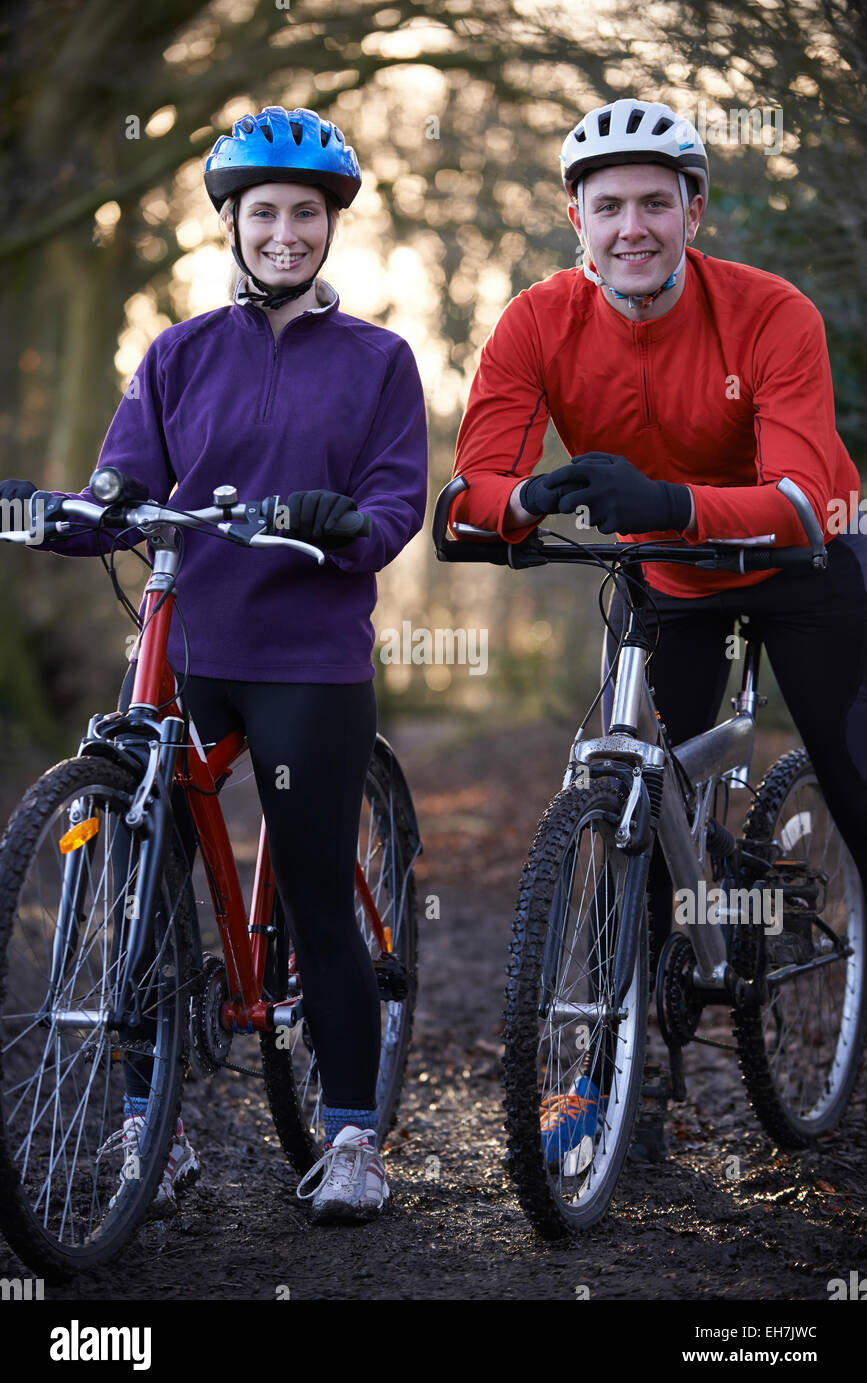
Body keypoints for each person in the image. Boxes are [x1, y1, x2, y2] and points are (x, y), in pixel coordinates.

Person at [0, 105, 428, 1223]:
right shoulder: (178, 354)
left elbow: (393, 504)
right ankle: (152, 1118)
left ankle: (348, 1137)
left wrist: (345, 523)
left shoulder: (379, 360)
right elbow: (123, 492)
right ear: (230, 224)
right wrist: (58, 515)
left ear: (330, 224)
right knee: (146, 888)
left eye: (303, 213)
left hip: (308, 658)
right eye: (262, 214)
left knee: (320, 897)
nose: (284, 232)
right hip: (187, 643)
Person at [449, 96, 867, 1144]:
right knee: (632, 805)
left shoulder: (770, 313)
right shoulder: (539, 321)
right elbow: (472, 488)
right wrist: (528, 499)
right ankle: (608, 1079)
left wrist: (671, 502)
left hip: (809, 565)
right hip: (669, 578)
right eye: (607, 206)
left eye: (653, 202)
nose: (631, 226)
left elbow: (806, 496)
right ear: (576, 223)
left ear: (693, 211)